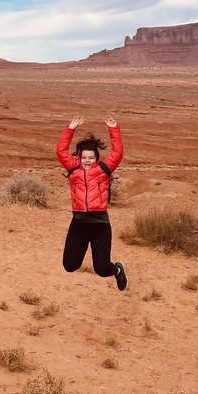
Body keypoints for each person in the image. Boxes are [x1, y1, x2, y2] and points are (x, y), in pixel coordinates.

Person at [56, 115, 128, 291]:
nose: (87, 161)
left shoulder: (104, 170)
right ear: (79, 159)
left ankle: (118, 270)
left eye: (91, 158)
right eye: (84, 158)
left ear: (97, 158)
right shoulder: (73, 170)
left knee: (102, 269)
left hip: (100, 225)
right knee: (69, 265)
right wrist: (70, 128)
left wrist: (114, 129)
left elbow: (117, 153)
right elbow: (61, 151)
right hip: (79, 224)